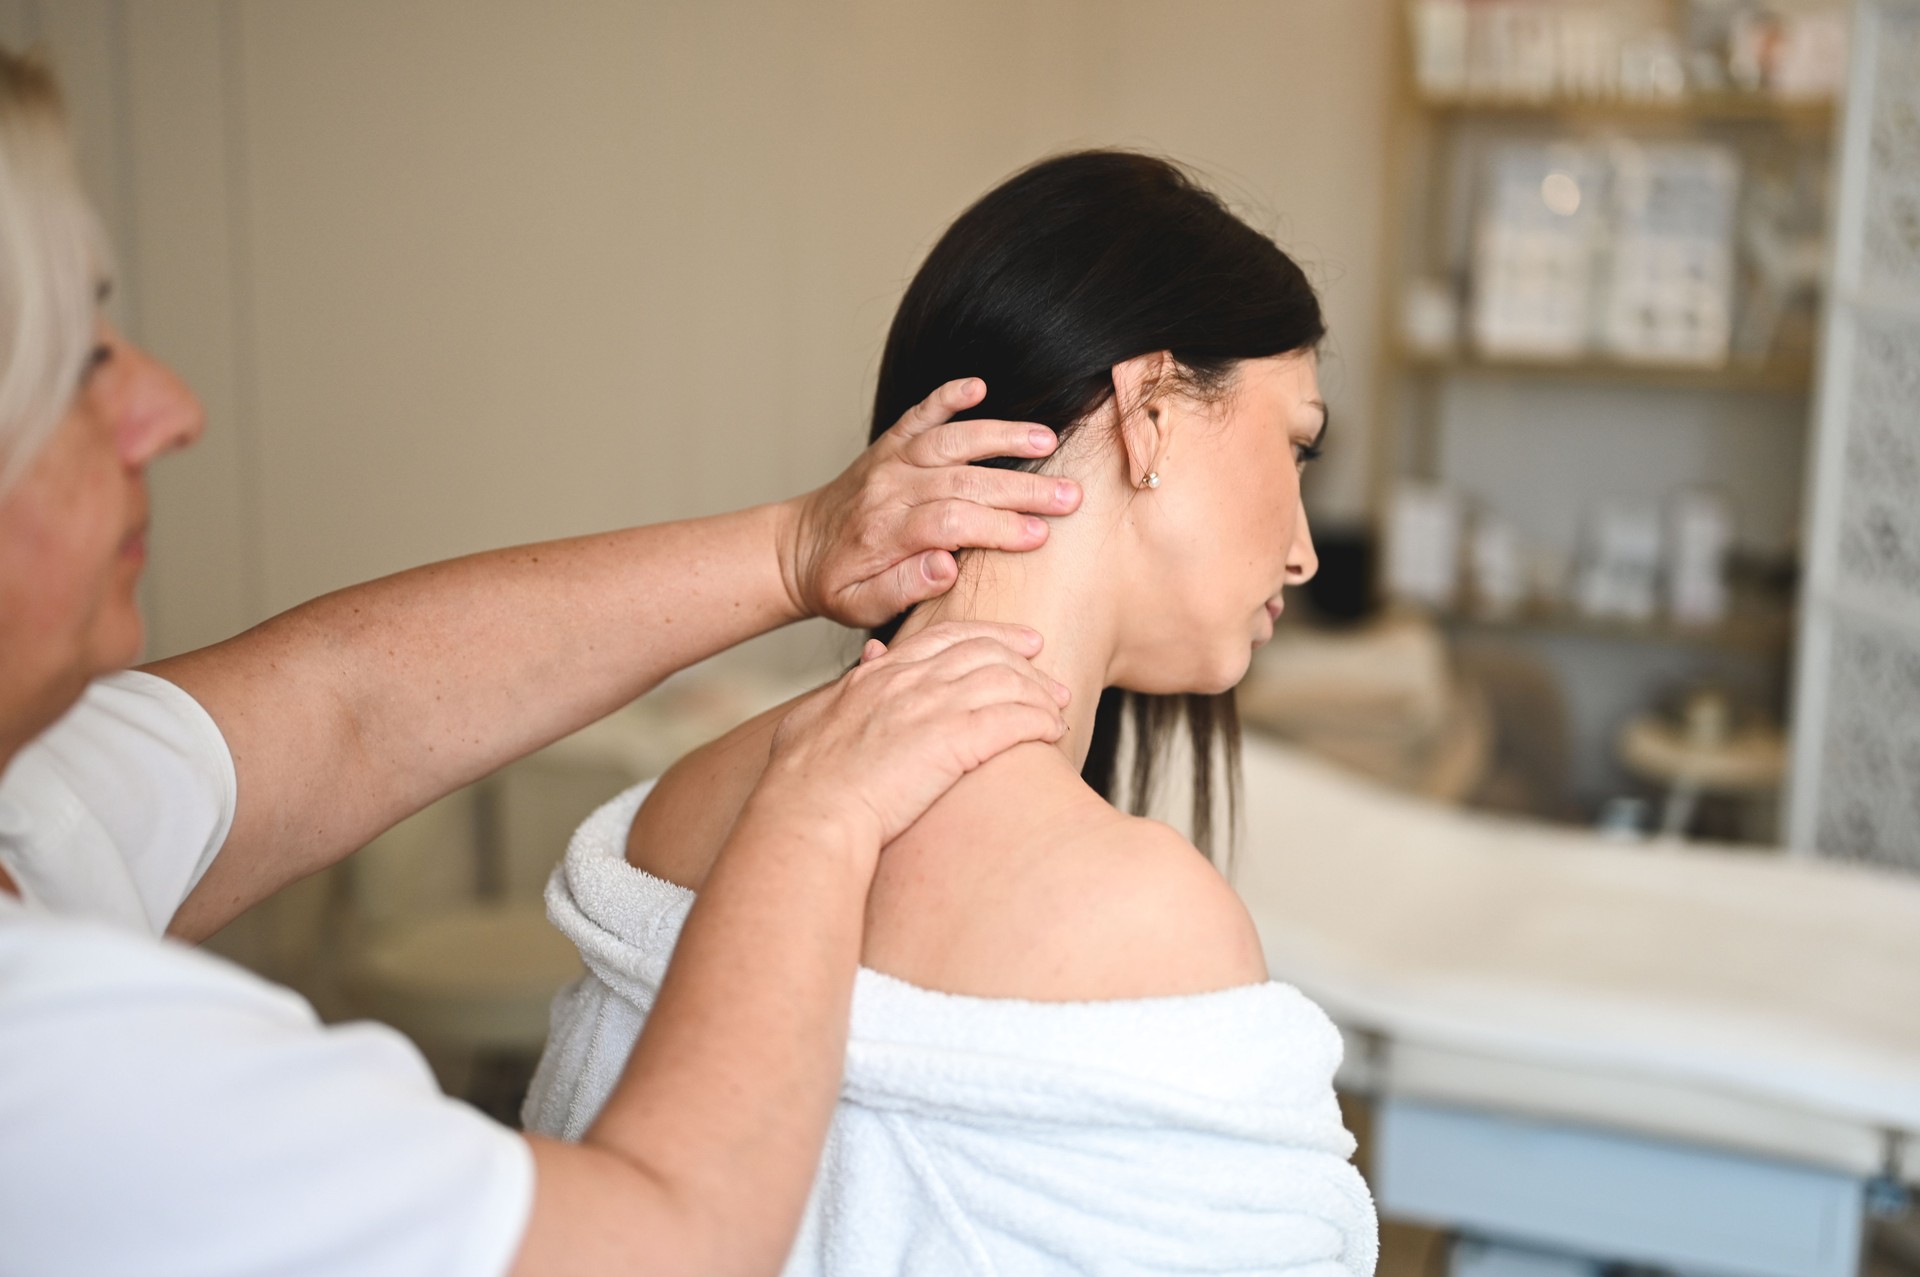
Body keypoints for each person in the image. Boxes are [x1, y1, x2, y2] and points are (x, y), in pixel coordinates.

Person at [0, 48, 1087, 1277]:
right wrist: (815, 809)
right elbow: (664, 1240)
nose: (169, 405)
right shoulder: (51, 1066)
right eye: (78, 354)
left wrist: (800, 547)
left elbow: (348, 705)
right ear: (1149, 411)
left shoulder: (32, 818)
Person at [525, 151, 1380, 1274]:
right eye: (1297, 443)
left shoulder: (679, 806)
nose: (1307, 549)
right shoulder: (1140, 918)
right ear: (1152, 409)